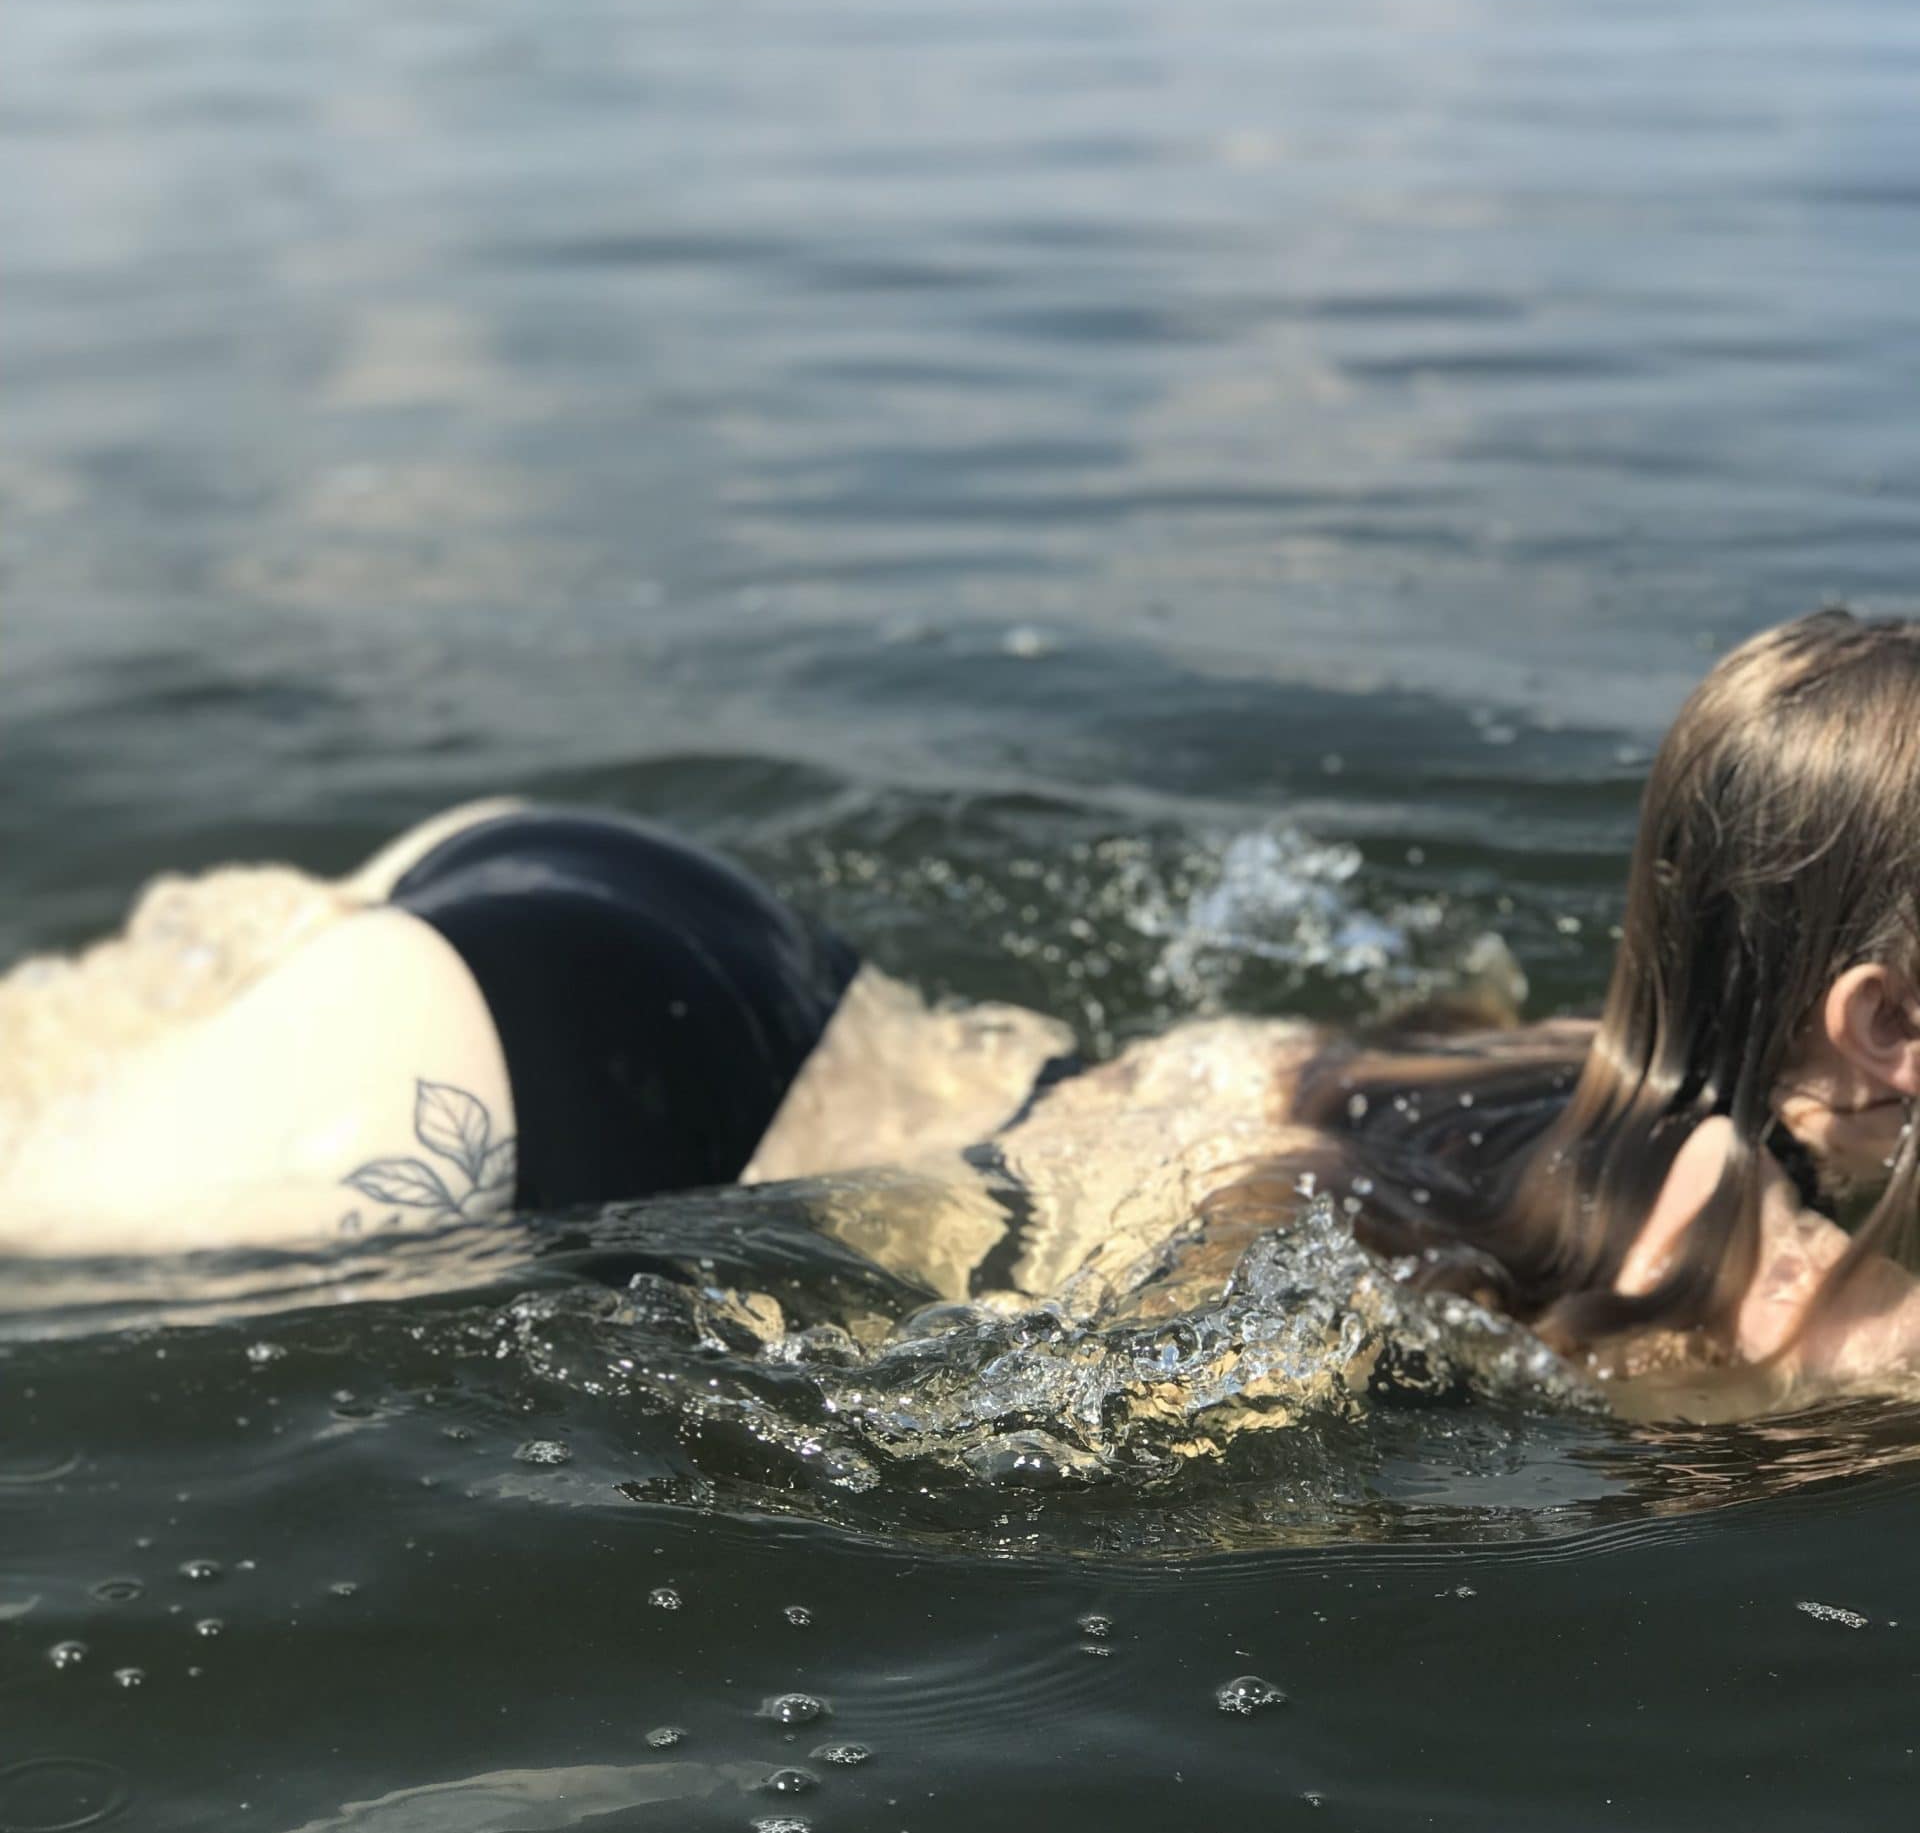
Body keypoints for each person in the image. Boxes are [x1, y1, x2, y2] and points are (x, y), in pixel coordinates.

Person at [3, 608, 1919, 1392]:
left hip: (666, 928)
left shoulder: (1559, 1067)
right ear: (1878, 1022)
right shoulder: (1765, 1288)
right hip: (511, 1095)